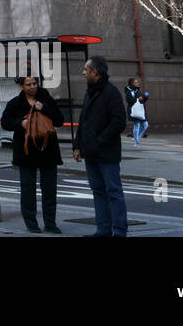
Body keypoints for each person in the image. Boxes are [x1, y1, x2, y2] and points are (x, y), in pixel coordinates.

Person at [72, 55, 128, 237]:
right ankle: (103, 230)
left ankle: (119, 231)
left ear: (95, 72)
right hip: (91, 152)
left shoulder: (111, 93)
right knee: (98, 192)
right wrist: (77, 145)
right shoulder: (90, 92)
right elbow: (83, 120)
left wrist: (100, 140)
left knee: (113, 192)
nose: (83, 72)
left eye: (85, 70)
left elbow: (119, 122)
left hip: (106, 153)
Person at [1, 76, 64, 234]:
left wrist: (45, 108)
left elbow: (60, 121)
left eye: (34, 83)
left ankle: (50, 223)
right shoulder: (15, 103)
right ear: (21, 86)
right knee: (28, 189)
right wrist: (20, 123)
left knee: (49, 189)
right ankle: (31, 223)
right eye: (28, 84)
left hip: (47, 151)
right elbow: (5, 122)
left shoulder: (46, 99)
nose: (32, 87)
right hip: (26, 152)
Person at [125, 77, 149, 148]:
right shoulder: (129, 90)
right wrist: (137, 99)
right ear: (132, 83)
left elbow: (142, 101)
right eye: (135, 82)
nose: (137, 83)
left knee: (145, 125)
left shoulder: (138, 90)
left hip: (140, 110)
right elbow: (129, 100)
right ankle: (136, 142)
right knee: (136, 125)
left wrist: (145, 97)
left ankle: (136, 138)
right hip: (133, 110)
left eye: (137, 82)